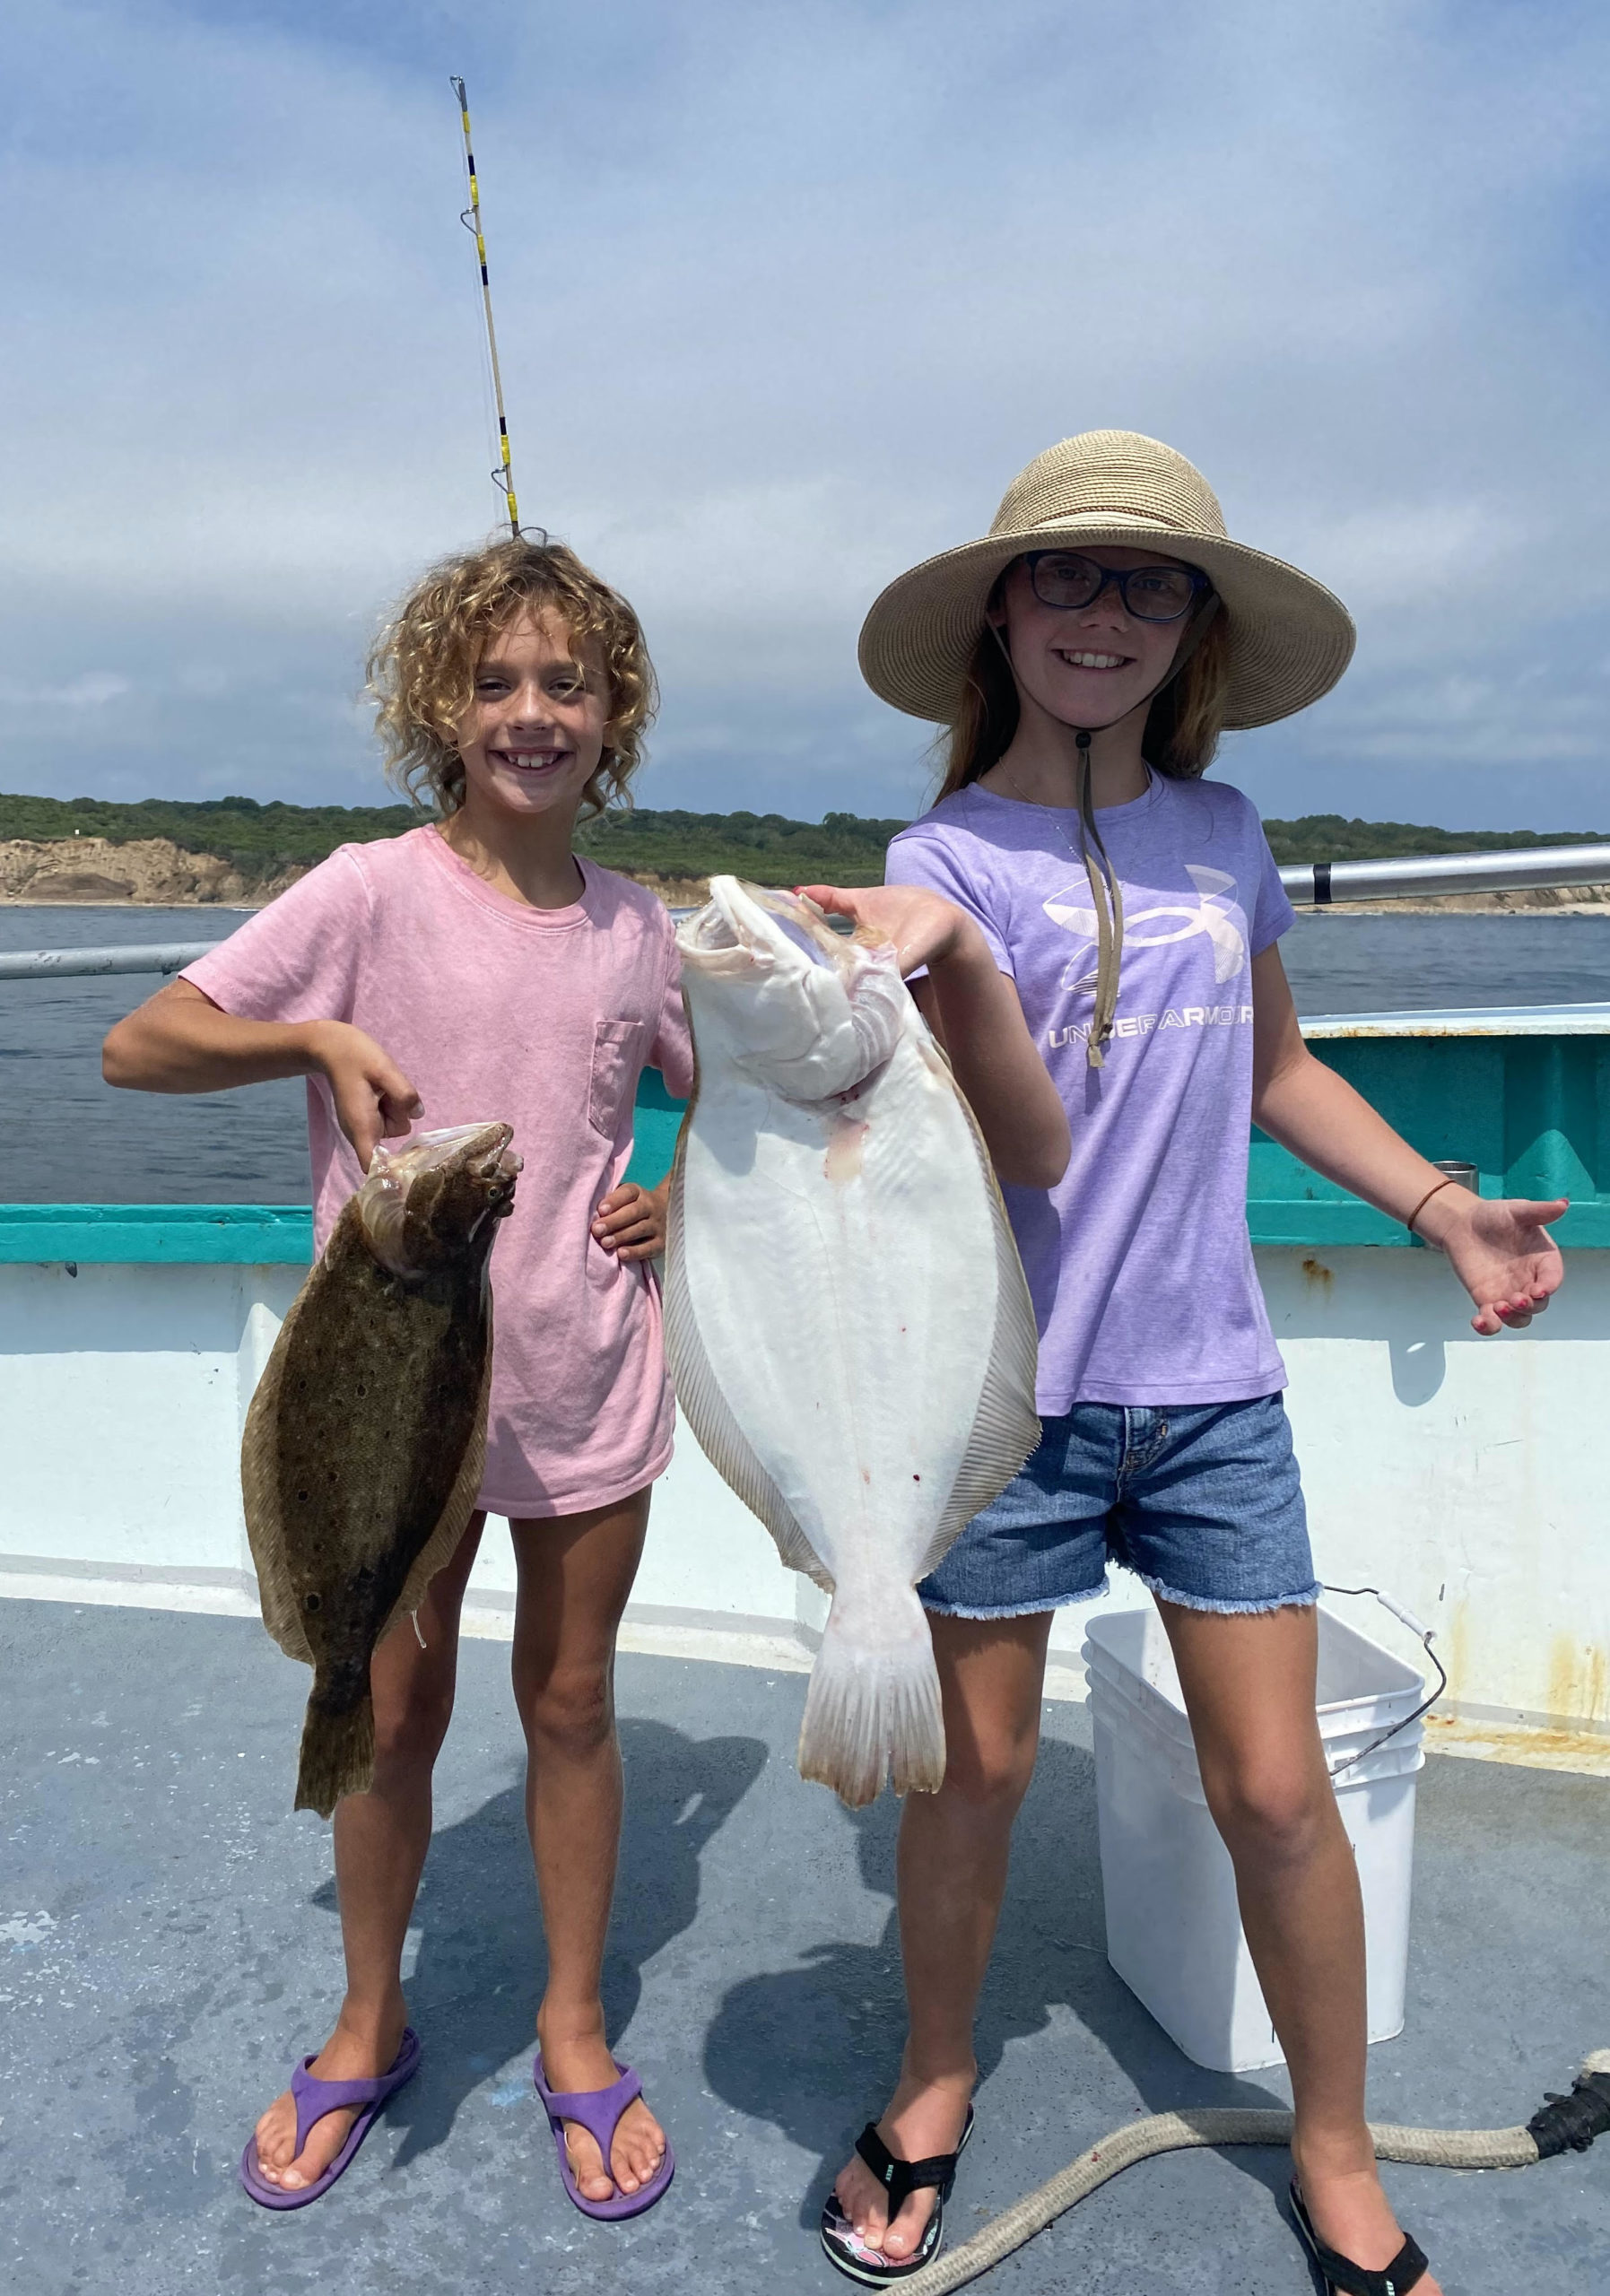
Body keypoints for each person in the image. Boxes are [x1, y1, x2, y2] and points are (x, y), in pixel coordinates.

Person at [803, 430, 1565, 2294]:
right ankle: (932, 2078)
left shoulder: (1224, 838)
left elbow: (1275, 1065)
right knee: (973, 1774)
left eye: (1149, 583)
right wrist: (934, 955)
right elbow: (992, 1138)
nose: (1105, 615)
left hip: (1213, 1391)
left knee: (1280, 1793)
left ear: (1195, 629)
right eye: (1067, 575)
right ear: (1003, 611)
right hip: (1002, 1400)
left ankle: (1333, 2148)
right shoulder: (934, 861)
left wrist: (1441, 1204)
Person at [102, 535, 689, 2221]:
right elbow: (142, 1044)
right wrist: (308, 1036)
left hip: (585, 1378)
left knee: (571, 1704)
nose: (530, 713)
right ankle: (371, 2016)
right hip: (389, 1407)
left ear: (615, 715)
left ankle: (573, 2025)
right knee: (389, 1705)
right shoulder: (366, 892)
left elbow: (740, 1088)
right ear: (441, 707)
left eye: (566, 683)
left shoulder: (640, 929)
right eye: (493, 682)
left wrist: (685, 1188)